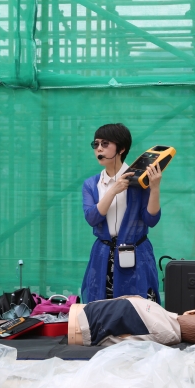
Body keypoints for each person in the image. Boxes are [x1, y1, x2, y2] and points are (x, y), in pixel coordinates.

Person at [81, 123, 163, 304]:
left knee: (138, 306)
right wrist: (113, 190)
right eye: (96, 144)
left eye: (105, 143)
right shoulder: (91, 184)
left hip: (137, 253)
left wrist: (154, 188)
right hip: (103, 256)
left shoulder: (140, 179)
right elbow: (91, 218)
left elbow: (151, 219)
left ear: (121, 148)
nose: (99, 148)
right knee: (102, 307)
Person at [67, 296, 195, 346]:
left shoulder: (161, 324)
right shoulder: (166, 328)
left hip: (83, 323)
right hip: (86, 322)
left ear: (192, 312)